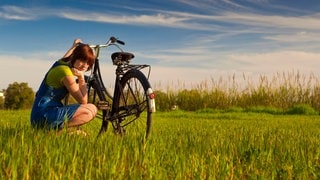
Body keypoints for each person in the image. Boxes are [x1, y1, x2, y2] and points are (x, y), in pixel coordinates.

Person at [30, 39, 98, 134]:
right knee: (91, 110)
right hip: (44, 115)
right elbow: (83, 101)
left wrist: (73, 46)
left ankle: (61, 131)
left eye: (88, 63)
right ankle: (55, 133)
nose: (85, 66)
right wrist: (81, 77)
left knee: (83, 130)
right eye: (82, 60)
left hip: (40, 114)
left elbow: (66, 57)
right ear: (75, 57)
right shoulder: (65, 73)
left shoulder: (61, 64)